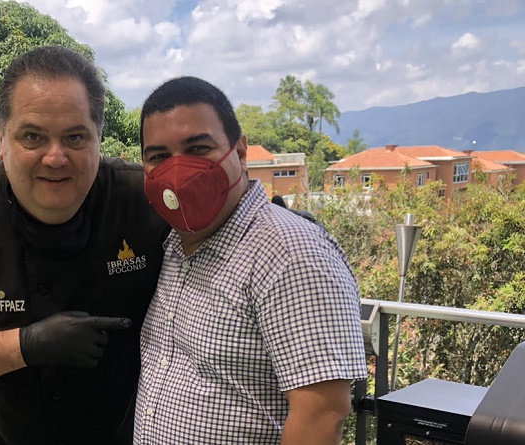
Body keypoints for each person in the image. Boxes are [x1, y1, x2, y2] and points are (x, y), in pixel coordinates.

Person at [0, 46, 168, 445]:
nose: (55, 158)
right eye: (32, 137)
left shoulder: (145, 199)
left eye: (75, 137)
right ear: (1, 139)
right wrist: (28, 344)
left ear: (98, 139)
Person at [134, 76, 367, 444]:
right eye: (159, 157)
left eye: (198, 149)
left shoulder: (290, 253)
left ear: (239, 153)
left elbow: (322, 414)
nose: (177, 174)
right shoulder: (172, 245)